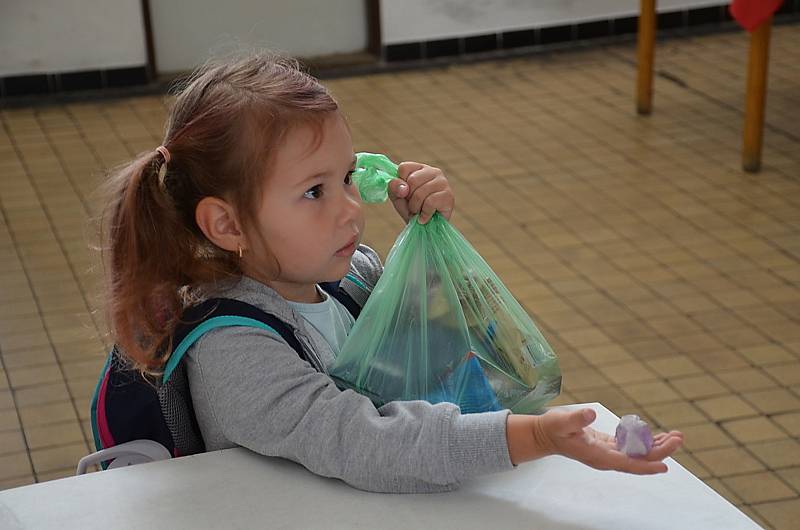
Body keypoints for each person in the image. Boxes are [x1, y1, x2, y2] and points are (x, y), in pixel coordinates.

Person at [100, 53, 683, 493]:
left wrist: (430, 243)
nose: (351, 208)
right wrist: (530, 437)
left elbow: (448, 344)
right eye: (314, 191)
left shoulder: (352, 277)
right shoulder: (234, 347)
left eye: (349, 177)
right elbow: (366, 441)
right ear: (227, 225)